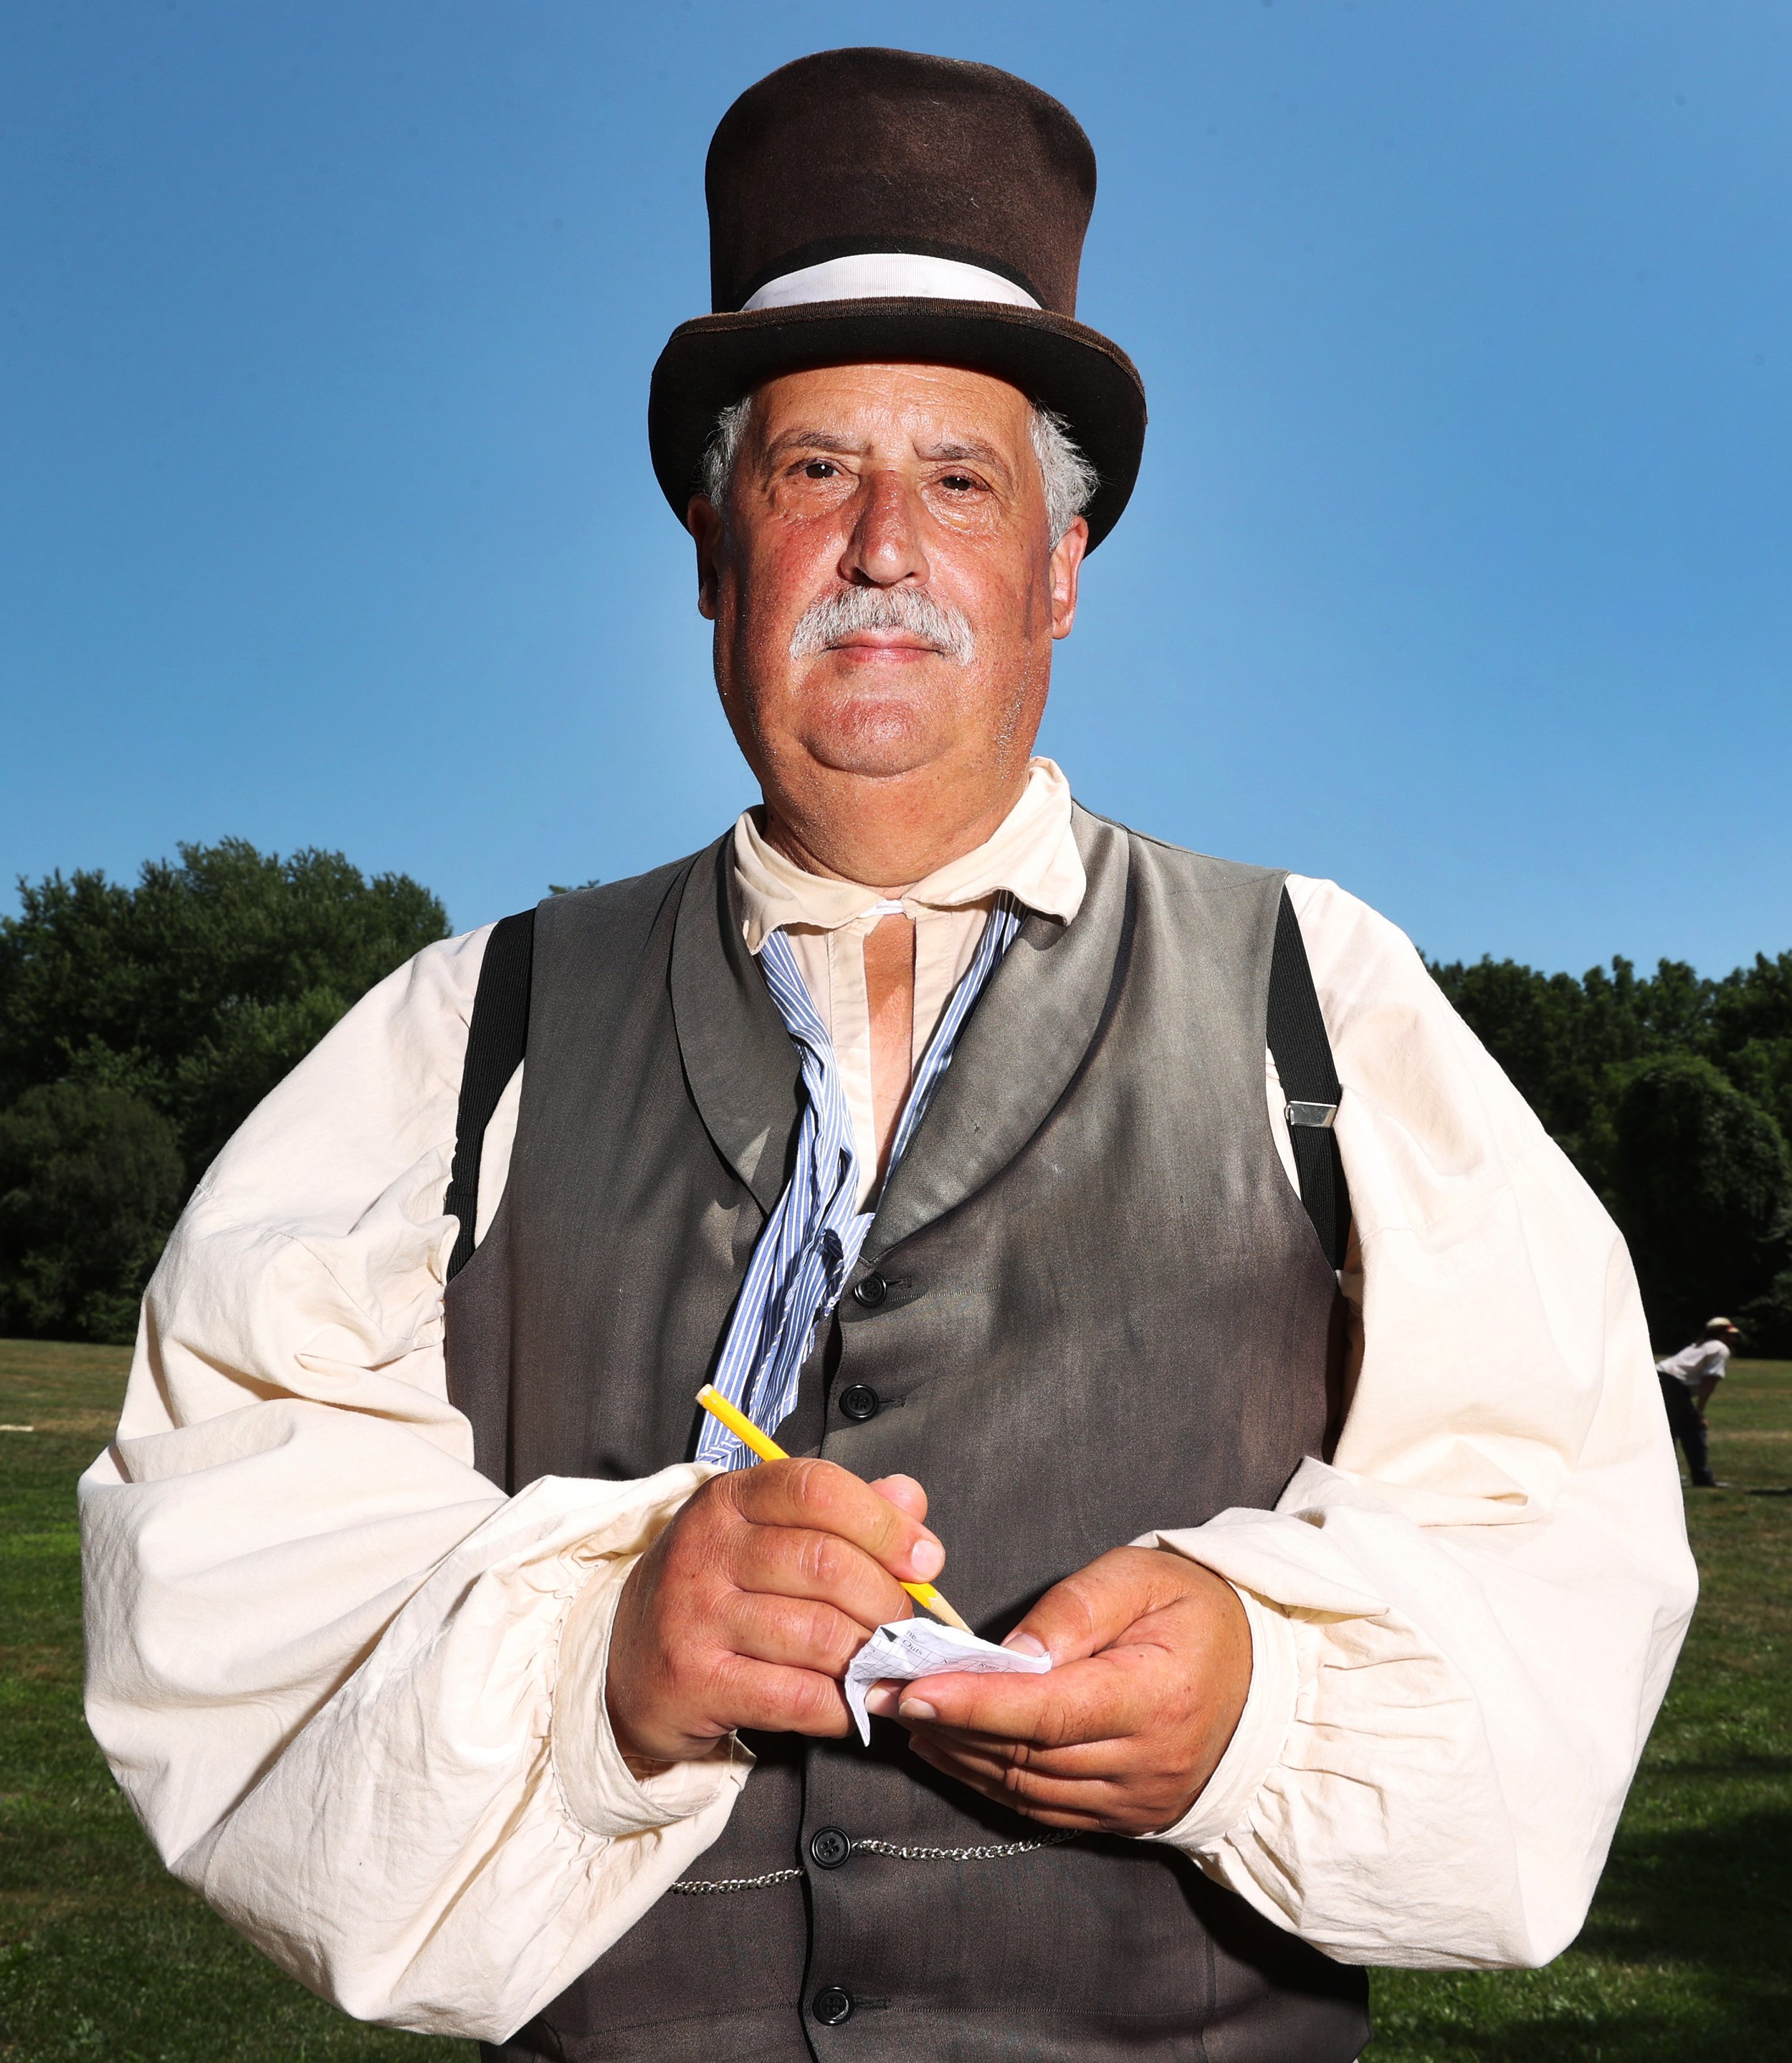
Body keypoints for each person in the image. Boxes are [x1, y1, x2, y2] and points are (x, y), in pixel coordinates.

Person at [80, 49, 1697, 2063]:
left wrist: (1261, 1690)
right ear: (709, 552)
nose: (880, 546)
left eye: (957, 480)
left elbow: (1563, 1533)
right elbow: (217, 1567)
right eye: (811, 470)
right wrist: (606, 1650)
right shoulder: (462, 1025)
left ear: (1056, 570)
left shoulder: (1316, 982)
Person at [1656, 1317, 1740, 1488]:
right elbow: (1710, 1381)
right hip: (1672, 1384)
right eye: (1729, 1335)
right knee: (1694, 1428)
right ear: (1720, 1334)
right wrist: (1699, 1412)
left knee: (1669, 1429)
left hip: (1658, 1377)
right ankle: (1701, 1477)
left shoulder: (1699, 1345)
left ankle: (1665, 1475)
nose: (1732, 1339)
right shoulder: (1720, 1349)